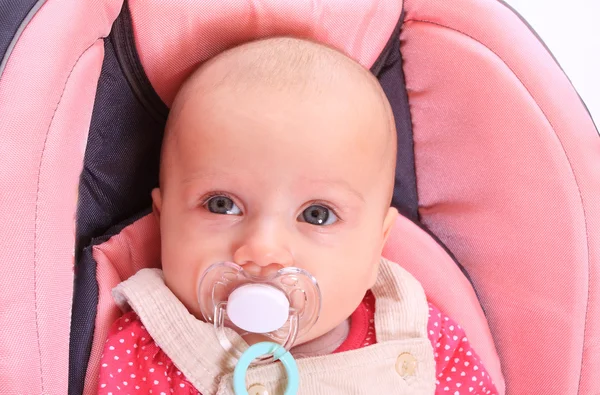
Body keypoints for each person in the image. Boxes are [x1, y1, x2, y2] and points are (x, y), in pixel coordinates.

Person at [98, 37, 498, 394]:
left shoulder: (418, 341)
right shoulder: (151, 352)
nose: (263, 249)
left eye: (317, 214)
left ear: (378, 243)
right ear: (162, 218)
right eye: (222, 204)